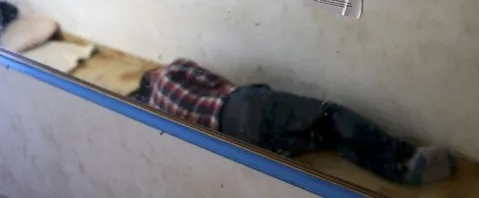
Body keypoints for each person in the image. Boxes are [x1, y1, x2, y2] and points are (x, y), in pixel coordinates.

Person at [128, 59, 455, 185]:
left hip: (239, 143)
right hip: (242, 107)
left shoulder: (156, 111)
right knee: (330, 117)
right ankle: (404, 161)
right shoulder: (170, 71)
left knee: (325, 138)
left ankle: (402, 170)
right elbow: (222, 84)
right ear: (152, 75)